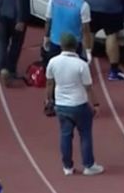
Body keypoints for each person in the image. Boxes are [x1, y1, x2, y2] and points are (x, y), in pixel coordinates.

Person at [45, 33, 104, 176]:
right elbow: (88, 87)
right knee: (85, 135)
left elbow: (49, 83)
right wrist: (95, 104)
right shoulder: (82, 65)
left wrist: (49, 100)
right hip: (79, 104)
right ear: (77, 46)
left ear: (61, 45)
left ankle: (67, 167)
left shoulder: (53, 62)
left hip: (61, 105)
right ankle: (89, 165)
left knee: (65, 135)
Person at [43, 0, 93, 64]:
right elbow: (86, 30)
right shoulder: (83, 5)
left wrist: (46, 37)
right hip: (73, 47)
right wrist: (88, 51)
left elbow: (48, 20)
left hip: (55, 42)